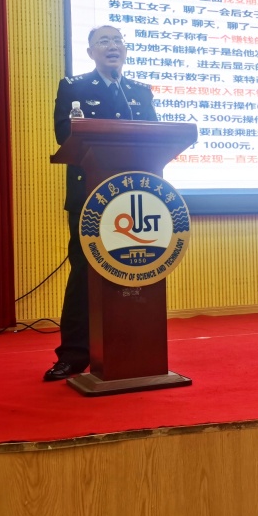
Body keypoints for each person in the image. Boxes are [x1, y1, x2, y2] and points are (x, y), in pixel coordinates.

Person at [44, 25, 159, 381]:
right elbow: (64, 135)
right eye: (104, 41)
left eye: (118, 41)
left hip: (134, 198)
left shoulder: (139, 91)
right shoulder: (74, 87)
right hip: (90, 197)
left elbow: (155, 138)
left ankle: (134, 345)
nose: (113, 46)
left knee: (135, 268)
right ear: (91, 51)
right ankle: (74, 354)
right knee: (84, 271)